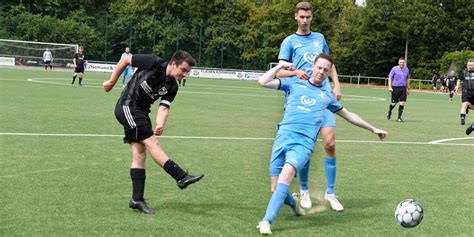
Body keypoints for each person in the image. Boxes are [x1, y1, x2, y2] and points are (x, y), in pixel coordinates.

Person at [256, 54, 387, 235]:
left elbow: (349, 115)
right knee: (275, 188)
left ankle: (266, 221)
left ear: (328, 74)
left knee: (285, 177)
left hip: (303, 144)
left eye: (326, 70)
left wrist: (372, 128)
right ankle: (294, 206)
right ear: (313, 66)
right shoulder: (293, 83)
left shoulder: (326, 97)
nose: (321, 72)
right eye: (319, 67)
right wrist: (281, 67)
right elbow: (262, 81)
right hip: (282, 138)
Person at [102, 50, 204, 215]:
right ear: (173, 63)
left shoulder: (172, 86)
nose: (185, 75)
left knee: (140, 153)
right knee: (152, 143)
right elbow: (126, 60)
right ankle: (180, 176)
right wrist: (112, 81)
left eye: (188, 72)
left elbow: (164, 108)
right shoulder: (153, 62)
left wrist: (160, 124)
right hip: (127, 106)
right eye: (183, 70)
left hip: (142, 113)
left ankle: (137, 199)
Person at [275, 1, 343, 211]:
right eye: (301, 17)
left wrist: (336, 85)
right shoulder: (289, 41)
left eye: (308, 17)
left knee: (330, 144)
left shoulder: (319, 38)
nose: (305, 21)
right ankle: (304, 190)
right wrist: (295, 72)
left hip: (322, 96)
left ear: (312, 17)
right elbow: (279, 72)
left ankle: (330, 193)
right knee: (306, 148)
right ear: (295, 17)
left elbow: (329, 64)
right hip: (301, 101)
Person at [386, 57, 410, 122]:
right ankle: (389, 111)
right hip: (395, 87)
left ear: (404, 63)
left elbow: (407, 79)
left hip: (403, 88)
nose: (402, 63)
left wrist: (408, 88)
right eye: (401, 62)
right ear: (398, 62)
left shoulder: (406, 69)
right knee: (394, 103)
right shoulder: (394, 68)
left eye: (403, 62)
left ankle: (399, 118)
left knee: (402, 103)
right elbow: (390, 77)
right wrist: (389, 87)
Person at [457, 59, 474, 125]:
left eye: (472, 65)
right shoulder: (463, 72)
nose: (470, 66)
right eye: (469, 65)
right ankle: (462, 120)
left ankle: (468, 107)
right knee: (464, 104)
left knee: (472, 107)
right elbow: (459, 79)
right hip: (466, 92)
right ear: (467, 65)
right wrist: (457, 87)